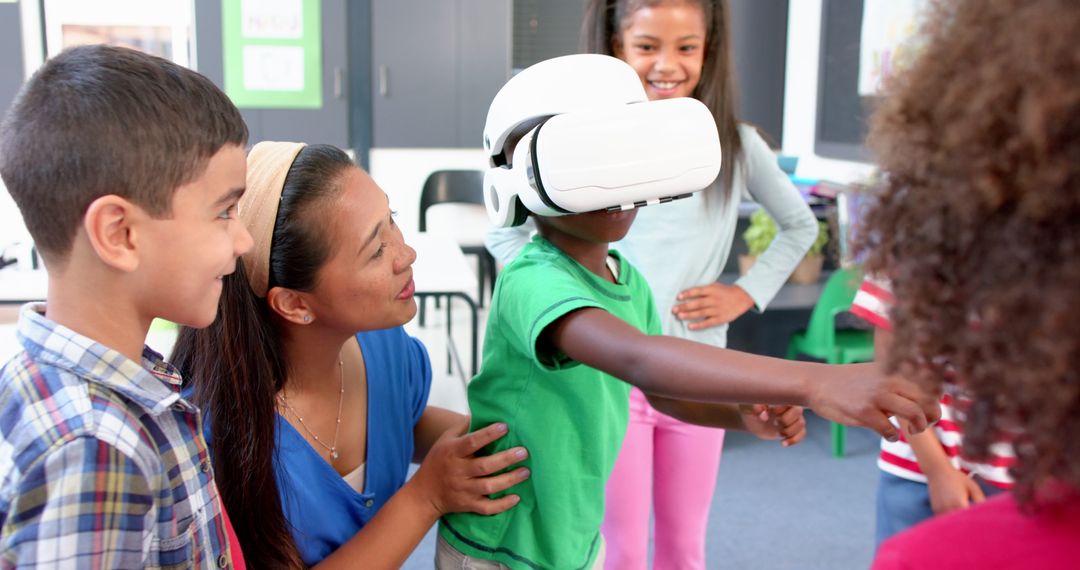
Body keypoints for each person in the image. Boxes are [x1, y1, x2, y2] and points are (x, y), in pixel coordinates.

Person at [486, 3, 818, 565]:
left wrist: (744, 293)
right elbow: (507, 232)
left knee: (685, 547)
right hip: (612, 379)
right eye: (647, 47)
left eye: (687, 47)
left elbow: (799, 224)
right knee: (622, 551)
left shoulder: (732, 145)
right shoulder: (573, 160)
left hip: (696, 371)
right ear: (615, 49)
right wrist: (559, 292)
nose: (667, 64)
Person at [170, 141, 529, 569]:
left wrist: (508, 444)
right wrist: (426, 496)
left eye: (391, 221)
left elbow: (401, 421)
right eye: (376, 250)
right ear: (295, 304)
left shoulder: (383, 345)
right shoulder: (225, 441)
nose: (406, 254)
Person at [0, 45, 251, 568]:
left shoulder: (62, 373)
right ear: (120, 233)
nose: (244, 239)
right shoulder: (96, 447)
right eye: (224, 212)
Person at [856, 0, 1080, 566]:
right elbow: (894, 369)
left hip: (1044, 481)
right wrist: (939, 469)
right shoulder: (926, 234)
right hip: (924, 470)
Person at [851, 277, 1013, 549]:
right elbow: (893, 375)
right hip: (923, 471)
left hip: (1028, 473)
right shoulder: (901, 257)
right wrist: (937, 471)